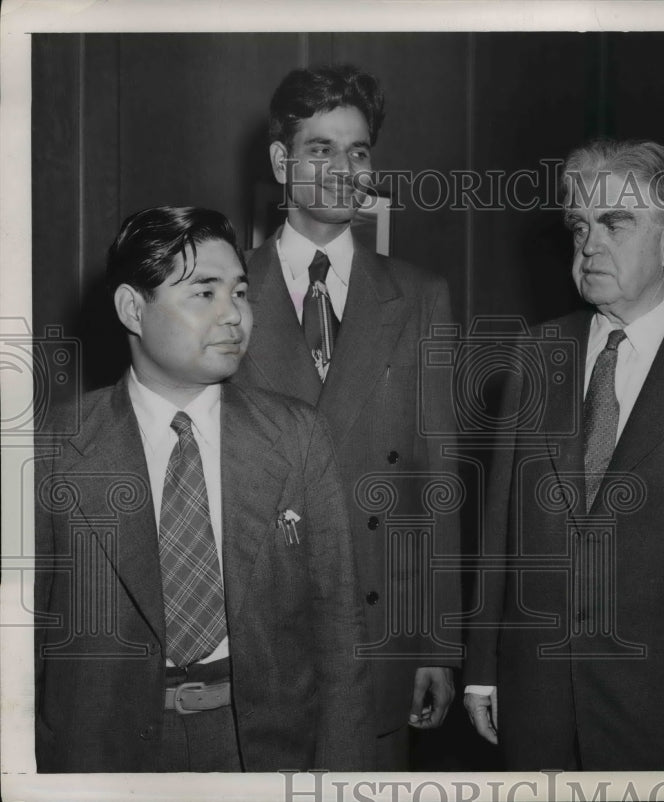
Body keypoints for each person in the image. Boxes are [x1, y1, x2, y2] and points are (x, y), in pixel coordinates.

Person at [462, 139, 664, 770]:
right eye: (579, 225)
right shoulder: (535, 353)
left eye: (615, 223)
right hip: (536, 695)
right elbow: (499, 528)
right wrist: (481, 669)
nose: (589, 244)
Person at [34, 206, 374, 772]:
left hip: (260, 746)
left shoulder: (297, 438)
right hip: (102, 755)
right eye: (204, 293)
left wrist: (338, 778)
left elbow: (339, 630)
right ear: (132, 309)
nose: (234, 315)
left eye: (239, 292)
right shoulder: (53, 451)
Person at [232, 64, 460, 770]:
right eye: (320, 149)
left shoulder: (420, 295)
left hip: (382, 633)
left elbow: (438, 480)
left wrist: (436, 644)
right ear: (282, 161)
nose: (342, 169)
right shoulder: (225, 288)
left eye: (357, 151)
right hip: (256, 636)